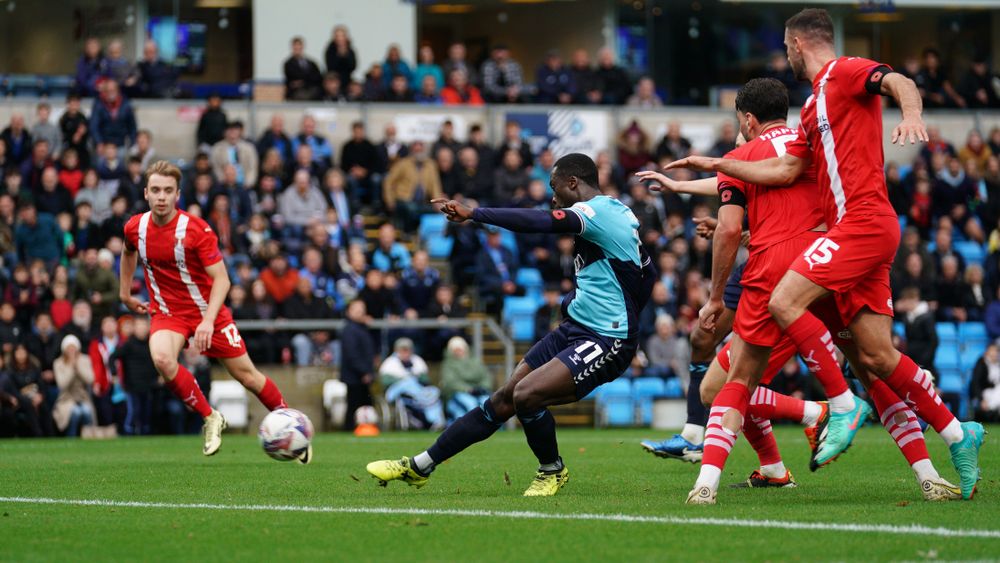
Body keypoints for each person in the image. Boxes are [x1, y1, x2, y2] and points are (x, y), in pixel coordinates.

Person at [666, 8, 984, 500]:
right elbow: (787, 172)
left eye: (786, 48)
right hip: (838, 240)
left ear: (796, 44)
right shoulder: (810, 112)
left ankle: (833, 408)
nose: (786, 56)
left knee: (758, 338)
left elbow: (897, 80)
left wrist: (914, 115)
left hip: (848, 232)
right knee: (876, 359)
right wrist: (715, 166)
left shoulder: (844, 72)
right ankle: (954, 438)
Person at [367, 153, 656, 496]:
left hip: (608, 337)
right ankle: (420, 466)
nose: (553, 197)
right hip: (576, 327)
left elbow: (536, 222)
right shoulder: (617, 212)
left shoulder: (594, 213)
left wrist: (475, 213)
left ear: (573, 183)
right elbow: (647, 273)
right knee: (505, 398)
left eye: (555, 187)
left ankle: (552, 470)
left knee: (527, 396)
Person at [119, 161, 298, 459]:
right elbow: (127, 253)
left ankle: (292, 425)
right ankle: (210, 416)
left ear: (177, 195)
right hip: (168, 312)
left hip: (208, 313)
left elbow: (223, 280)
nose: (161, 197)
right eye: (155, 190)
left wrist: (207, 321)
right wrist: (124, 293)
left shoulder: (196, 230)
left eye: (167, 191)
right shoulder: (135, 227)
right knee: (162, 359)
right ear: (146, 193)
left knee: (249, 377)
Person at [379, 337, 444, 431]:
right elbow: (385, 382)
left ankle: (436, 421)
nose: (405, 353)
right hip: (397, 393)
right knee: (408, 382)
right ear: (397, 350)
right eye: (402, 350)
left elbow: (426, 380)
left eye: (407, 350)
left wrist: (416, 377)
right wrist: (403, 379)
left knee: (434, 391)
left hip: (418, 393)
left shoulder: (417, 361)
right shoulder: (390, 363)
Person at [109, 316, 158, 435]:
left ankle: (145, 433)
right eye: (138, 326)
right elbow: (112, 357)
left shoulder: (153, 343)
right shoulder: (128, 344)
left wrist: (161, 375)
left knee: (147, 412)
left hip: (149, 385)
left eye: (144, 326)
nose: (141, 329)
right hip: (132, 386)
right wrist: (114, 374)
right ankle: (128, 432)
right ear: (134, 328)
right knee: (134, 411)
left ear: (148, 327)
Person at [340, 299, 375, 431]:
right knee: (353, 406)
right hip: (354, 376)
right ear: (349, 312)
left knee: (366, 404)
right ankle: (349, 429)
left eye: (362, 308)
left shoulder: (362, 328)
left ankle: (365, 428)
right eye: (356, 309)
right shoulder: (350, 330)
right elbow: (352, 355)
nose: (361, 312)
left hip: (361, 374)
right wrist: (364, 372)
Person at [52, 335, 95, 437]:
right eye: (69, 348)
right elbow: (62, 384)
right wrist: (71, 368)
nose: (71, 350)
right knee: (75, 412)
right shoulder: (58, 363)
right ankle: (71, 437)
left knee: (86, 411)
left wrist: (78, 367)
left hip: (83, 397)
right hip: (66, 399)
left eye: (73, 347)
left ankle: (88, 436)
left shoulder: (85, 359)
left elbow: (90, 379)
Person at [440, 336, 492, 422]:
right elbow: (450, 383)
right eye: (456, 350)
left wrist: (483, 388)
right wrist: (468, 389)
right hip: (457, 394)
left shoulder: (476, 362)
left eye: (460, 349)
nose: (459, 352)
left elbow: (485, 377)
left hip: (479, 392)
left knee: (487, 403)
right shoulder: (448, 364)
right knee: (470, 404)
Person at [210, 121, 258, 189]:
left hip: (244, 184)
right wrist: (223, 181)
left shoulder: (249, 148)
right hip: (224, 184)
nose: (232, 133)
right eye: (229, 131)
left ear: (240, 132)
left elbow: (252, 167)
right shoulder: (217, 148)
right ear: (225, 132)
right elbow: (216, 167)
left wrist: (248, 183)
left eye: (235, 130)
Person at [89, 80, 137, 148]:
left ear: (117, 91)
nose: (110, 93)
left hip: (120, 143)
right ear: (104, 92)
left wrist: (133, 143)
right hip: (104, 144)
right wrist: (99, 142)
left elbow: (132, 126)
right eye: (108, 91)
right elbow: (94, 126)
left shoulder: (125, 104)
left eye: (113, 90)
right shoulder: (98, 104)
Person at [284, 36, 323, 100]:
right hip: (296, 93)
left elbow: (317, 77)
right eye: (295, 46)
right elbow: (293, 78)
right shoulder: (288, 64)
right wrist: (308, 79)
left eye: (299, 46)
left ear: (302, 47)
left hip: (312, 90)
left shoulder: (311, 63)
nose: (297, 48)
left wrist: (303, 82)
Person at [971, 344, 1000, 423]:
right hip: (985, 393)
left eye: (996, 351)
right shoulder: (982, 362)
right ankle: (991, 412)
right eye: (992, 351)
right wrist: (981, 399)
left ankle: (993, 413)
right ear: (987, 352)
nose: (994, 353)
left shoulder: (998, 364)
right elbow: (975, 383)